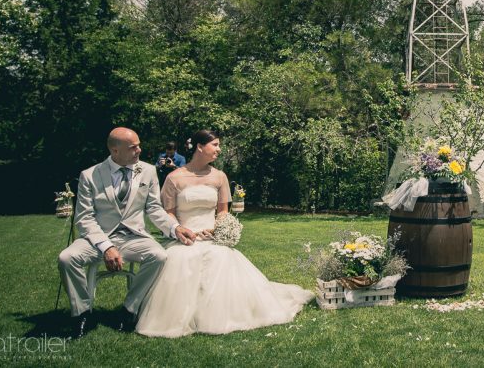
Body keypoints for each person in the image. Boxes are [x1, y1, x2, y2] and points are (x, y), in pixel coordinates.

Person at [136, 129, 314, 337]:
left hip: (211, 236)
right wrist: (182, 231)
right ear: (200, 147)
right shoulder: (175, 178)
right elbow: (168, 213)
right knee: (181, 259)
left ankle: (220, 314)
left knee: (220, 256)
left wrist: (215, 229)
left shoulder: (219, 176)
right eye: (216, 145)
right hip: (185, 236)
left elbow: (222, 211)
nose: (219, 149)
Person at [58, 127, 196, 337]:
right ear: (115, 151)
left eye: (139, 145)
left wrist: (174, 227)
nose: (139, 150)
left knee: (158, 256)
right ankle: (82, 313)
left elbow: (154, 208)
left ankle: (129, 309)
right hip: (98, 239)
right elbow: (84, 218)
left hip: (133, 236)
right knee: (66, 258)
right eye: (133, 147)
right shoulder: (89, 175)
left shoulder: (148, 171)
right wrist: (107, 246)